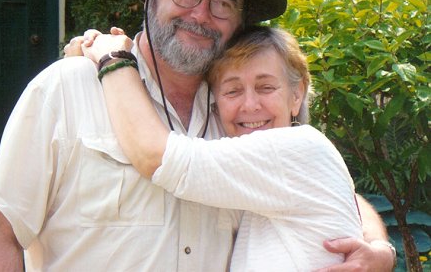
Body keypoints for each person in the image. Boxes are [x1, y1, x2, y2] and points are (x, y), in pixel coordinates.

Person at [0, 0, 395, 271]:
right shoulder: (65, 89)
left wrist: (378, 247)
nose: (200, 14)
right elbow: (1, 229)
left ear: (238, 22)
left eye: (222, 4)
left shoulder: (242, 116)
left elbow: (323, 186)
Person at [79, 26, 364, 271]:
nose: (250, 105)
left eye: (265, 87)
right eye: (232, 91)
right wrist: (378, 246)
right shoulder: (269, 169)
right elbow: (354, 202)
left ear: (296, 94)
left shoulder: (297, 149)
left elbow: (156, 155)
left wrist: (113, 59)